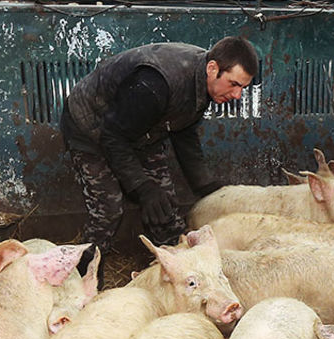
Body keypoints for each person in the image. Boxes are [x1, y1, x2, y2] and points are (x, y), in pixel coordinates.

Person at [59, 37, 258, 254]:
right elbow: (113, 137)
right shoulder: (155, 84)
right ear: (213, 69)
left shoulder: (205, 83)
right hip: (90, 126)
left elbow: (184, 130)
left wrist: (205, 184)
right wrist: (142, 187)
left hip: (143, 129)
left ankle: (178, 265)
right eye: (234, 84)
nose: (238, 95)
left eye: (243, 88)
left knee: (164, 204)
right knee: (109, 210)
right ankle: (86, 272)